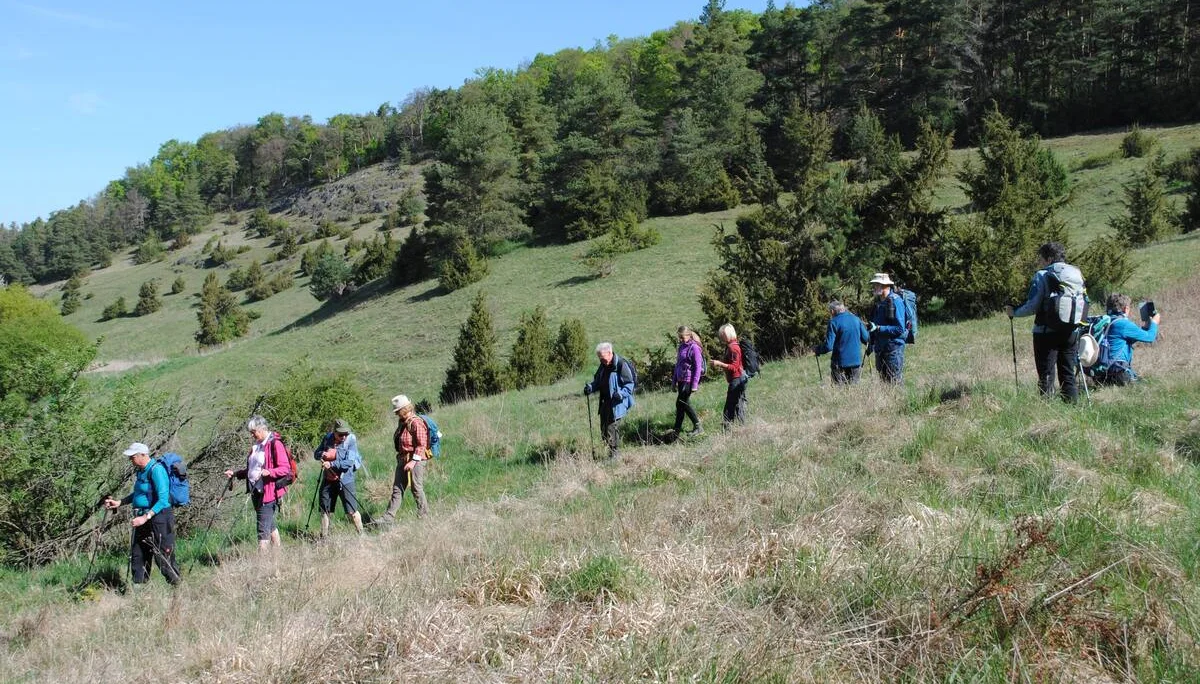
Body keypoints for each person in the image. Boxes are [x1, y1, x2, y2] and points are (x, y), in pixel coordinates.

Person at [1005, 242, 1085, 403]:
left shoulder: (1042, 275)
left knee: (1046, 375)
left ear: (1048, 259)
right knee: (1068, 373)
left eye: (1041, 259)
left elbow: (1032, 305)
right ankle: (1072, 407)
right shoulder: (1076, 273)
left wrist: (1014, 312)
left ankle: (1047, 412)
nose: (1040, 262)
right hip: (1071, 330)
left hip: (1045, 332)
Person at [103, 442, 180, 585]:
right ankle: (139, 590)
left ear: (143, 455)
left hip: (159, 518)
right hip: (142, 517)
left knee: (162, 555)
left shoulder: (157, 470)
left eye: (132, 456)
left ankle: (177, 587)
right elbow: (139, 494)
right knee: (138, 554)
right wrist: (120, 502)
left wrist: (145, 517)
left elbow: (163, 500)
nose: (130, 460)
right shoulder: (140, 470)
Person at [224, 415, 291, 551]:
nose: (252, 435)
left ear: (261, 429)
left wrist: (270, 472)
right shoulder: (257, 446)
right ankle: (278, 557)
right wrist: (236, 474)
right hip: (256, 491)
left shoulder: (275, 443)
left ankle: (262, 565)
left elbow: (285, 468)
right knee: (269, 525)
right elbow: (252, 470)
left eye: (253, 432)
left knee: (262, 530)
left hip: (269, 492)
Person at [1091, 293, 1160, 386]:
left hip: (1099, 376)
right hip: (1118, 374)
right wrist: (1154, 322)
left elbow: (1120, 340)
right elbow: (1150, 337)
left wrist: (1145, 327)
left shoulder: (1102, 322)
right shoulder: (1123, 324)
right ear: (1126, 308)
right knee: (1149, 385)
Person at [583, 342, 636, 460]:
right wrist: (590, 388)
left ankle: (615, 455)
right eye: (600, 359)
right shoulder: (603, 365)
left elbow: (630, 384)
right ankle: (611, 452)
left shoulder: (621, 364)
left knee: (611, 427)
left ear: (610, 353)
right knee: (603, 429)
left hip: (617, 403)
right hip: (605, 401)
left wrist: (621, 394)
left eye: (604, 359)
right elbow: (597, 381)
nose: (602, 361)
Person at [313, 418, 364, 536]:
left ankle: (361, 535)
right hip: (328, 479)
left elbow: (349, 462)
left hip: (345, 479)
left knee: (351, 511)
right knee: (324, 510)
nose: (344, 437)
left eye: (346, 434)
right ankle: (324, 537)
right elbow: (316, 454)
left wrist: (331, 463)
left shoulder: (351, 440)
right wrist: (322, 455)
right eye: (341, 434)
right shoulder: (327, 438)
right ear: (334, 432)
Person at [383, 395, 429, 521]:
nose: (397, 414)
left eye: (398, 412)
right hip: (403, 459)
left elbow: (421, 444)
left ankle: (424, 516)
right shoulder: (402, 423)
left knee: (416, 488)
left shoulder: (416, 422)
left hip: (417, 460)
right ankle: (388, 518)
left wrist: (413, 462)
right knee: (397, 489)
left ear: (404, 409)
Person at [813, 300, 871, 385]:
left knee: (839, 392)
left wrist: (818, 349)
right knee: (854, 391)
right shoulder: (856, 319)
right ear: (844, 309)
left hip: (839, 363)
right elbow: (866, 339)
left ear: (832, 311)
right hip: (856, 362)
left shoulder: (833, 322)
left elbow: (829, 346)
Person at [867, 273, 908, 384]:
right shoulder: (879, 303)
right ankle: (887, 402)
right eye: (874, 284)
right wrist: (871, 342)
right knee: (884, 383)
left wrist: (879, 328)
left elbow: (900, 328)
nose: (874, 287)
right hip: (880, 349)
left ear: (885, 286)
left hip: (893, 349)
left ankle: (899, 401)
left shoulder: (896, 301)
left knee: (895, 383)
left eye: (876, 284)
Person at [710, 324, 747, 430]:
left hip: (737, 379)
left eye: (723, 335)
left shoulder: (733, 347)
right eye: (721, 335)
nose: (721, 337)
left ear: (729, 334)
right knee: (739, 404)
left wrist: (719, 363)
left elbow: (734, 367)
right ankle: (742, 427)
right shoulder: (731, 345)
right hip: (739, 378)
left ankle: (727, 429)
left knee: (730, 406)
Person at [671, 326, 704, 437]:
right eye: (679, 337)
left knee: (682, 403)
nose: (680, 339)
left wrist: (695, 384)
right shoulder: (681, 347)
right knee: (681, 404)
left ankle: (698, 426)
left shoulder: (694, 348)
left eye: (682, 337)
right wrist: (674, 381)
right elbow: (677, 365)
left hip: (689, 380)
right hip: (681, 380)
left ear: (689, 335)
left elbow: (698, 367)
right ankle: (677, 430)